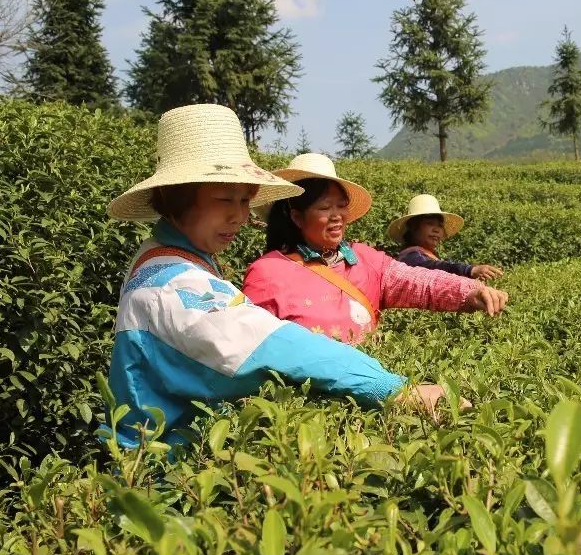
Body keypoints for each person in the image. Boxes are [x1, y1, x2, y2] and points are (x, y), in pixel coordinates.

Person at [105, 105, 444, 448]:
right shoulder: (171, 283)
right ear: (173, 199)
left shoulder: (174, 258)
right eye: (225, 199)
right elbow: (268, 345)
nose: (239, 216)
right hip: (160, 479)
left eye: (245, 200)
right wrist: (393, 388)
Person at [241, 154, 508, 345]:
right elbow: (255, 348)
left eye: (341, 205)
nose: (337, 216)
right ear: (297, 217)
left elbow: (418, 282)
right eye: (324, 208)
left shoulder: (364, 259)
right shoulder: (268, 273)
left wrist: (469, 291)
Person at [387, 193, 503, 281]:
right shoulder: (410, 256)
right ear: (413, 226)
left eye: (440, 226)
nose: (436, 230)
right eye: (430, 223)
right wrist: (469, 270)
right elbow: (432, 268)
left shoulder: (426, 254)